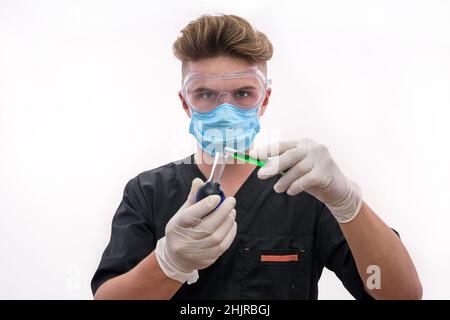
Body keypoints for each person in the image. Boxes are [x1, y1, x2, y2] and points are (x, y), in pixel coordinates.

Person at [91, 14, 422, 300]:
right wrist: (169, 262)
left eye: (243, 93)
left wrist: (348, 202)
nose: (225, 108)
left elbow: (400, 294)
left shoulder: (305, 190)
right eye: (205, 94)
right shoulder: (147, 192)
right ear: (185, 102)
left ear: (263, 101)